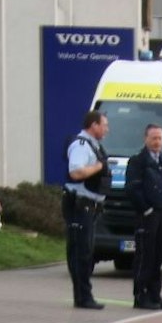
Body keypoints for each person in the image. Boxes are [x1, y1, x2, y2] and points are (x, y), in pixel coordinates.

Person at [63, 109, 111, 310]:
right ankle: (83, 297)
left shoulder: (94, 145)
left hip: (90, 206)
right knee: (80, 252)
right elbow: (75, 172)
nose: (107, 129)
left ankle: (84, 295)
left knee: (86, 251)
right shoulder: (81, 145)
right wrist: (98, 168)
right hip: (79, 205)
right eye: (104, 125)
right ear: (94, 125)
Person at [126, 123, 162, 311]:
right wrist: (145, 209)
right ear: (145, 139)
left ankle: (155, 295)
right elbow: (132, 188)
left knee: (158, 256)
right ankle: (141, 295)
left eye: (160, 138)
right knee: (145, 256)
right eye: (154, 138)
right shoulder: (137, 161)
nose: (157, 142)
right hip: (147, 216)